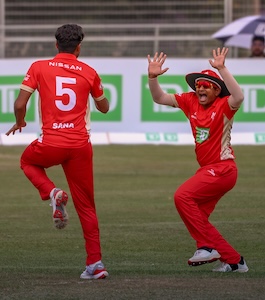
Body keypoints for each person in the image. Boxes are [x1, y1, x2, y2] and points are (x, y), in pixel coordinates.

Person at [6, 24, 109, 280]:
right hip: (79, 147)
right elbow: (105, 108)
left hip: (51, 142)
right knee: (87, 207)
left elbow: (20, 103)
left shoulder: (39, 67)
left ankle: (52, 192)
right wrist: (98, 94)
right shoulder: (89, 72)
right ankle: (95, 264)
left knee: (27, 162)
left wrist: (20, 121)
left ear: (56, 45)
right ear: (78, 48)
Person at [147, 47, 249, 273]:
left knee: (182, 196)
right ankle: (234, 261)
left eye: (206, 86)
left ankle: (206, 247)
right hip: (208, 171)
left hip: (223, 170)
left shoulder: (224, 105)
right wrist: (152, 78)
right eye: (198, 85)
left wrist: (222, 68)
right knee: (199, 218)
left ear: (216, 90)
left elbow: (239, 96)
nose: (200, 88)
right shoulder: (190, 100)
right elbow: (159, 97)